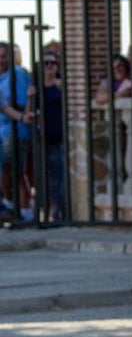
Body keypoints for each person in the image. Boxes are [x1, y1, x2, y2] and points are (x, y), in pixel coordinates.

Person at [0, 42, 35, 220]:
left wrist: (16, 115)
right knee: (6, 171)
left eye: (4, 56)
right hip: (3, 131)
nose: (1, 60)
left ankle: (24, 212)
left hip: (15, 130)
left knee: (15, 172)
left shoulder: (17, 75)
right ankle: (10, 206)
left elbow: (22, 105)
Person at [31, 50, 66, 222]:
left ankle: (57, 213)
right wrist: (30, 97)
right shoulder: (36, 89)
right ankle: (46, 213)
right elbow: (29, 113)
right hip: (43, 138)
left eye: (53, 63)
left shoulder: (60, 87)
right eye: (46, 64)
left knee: (59, 178)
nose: (50, 67)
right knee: (45, 179)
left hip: (60, 137)